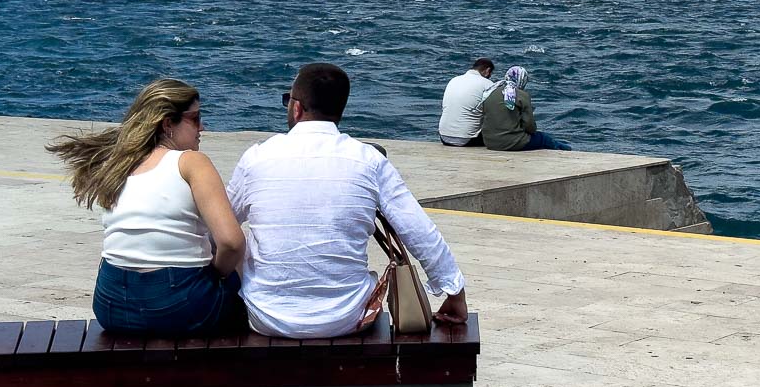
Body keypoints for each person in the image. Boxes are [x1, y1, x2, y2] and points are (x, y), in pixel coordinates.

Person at [227, 62, 468, 338]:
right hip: (347, 317)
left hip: (266, 316)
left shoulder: (256, 158)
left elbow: (220, 227)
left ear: (296, 107)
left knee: (236, 239)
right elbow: (419, 230)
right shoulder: (368, 160)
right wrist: (454, 292)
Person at [47, 79, 247, 336]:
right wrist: (217, 275)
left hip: (111, 305)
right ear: (168, 124)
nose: (202, 127)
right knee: (243, 261)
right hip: (178, 304)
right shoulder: (191, 162)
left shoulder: (117, 162)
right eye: (195, 118)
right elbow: (232, 242)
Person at [481, 65, 572, 151]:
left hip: (490, 142)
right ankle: (568, 150)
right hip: (511, 143)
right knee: (544, 139)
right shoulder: (522, 95)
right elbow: (530, 127)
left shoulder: (490, 92)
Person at [438, 57, 496, 146]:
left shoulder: (454, 80)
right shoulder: (487, 84)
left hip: (444, 137)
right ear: (487, 71)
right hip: (467, 140)